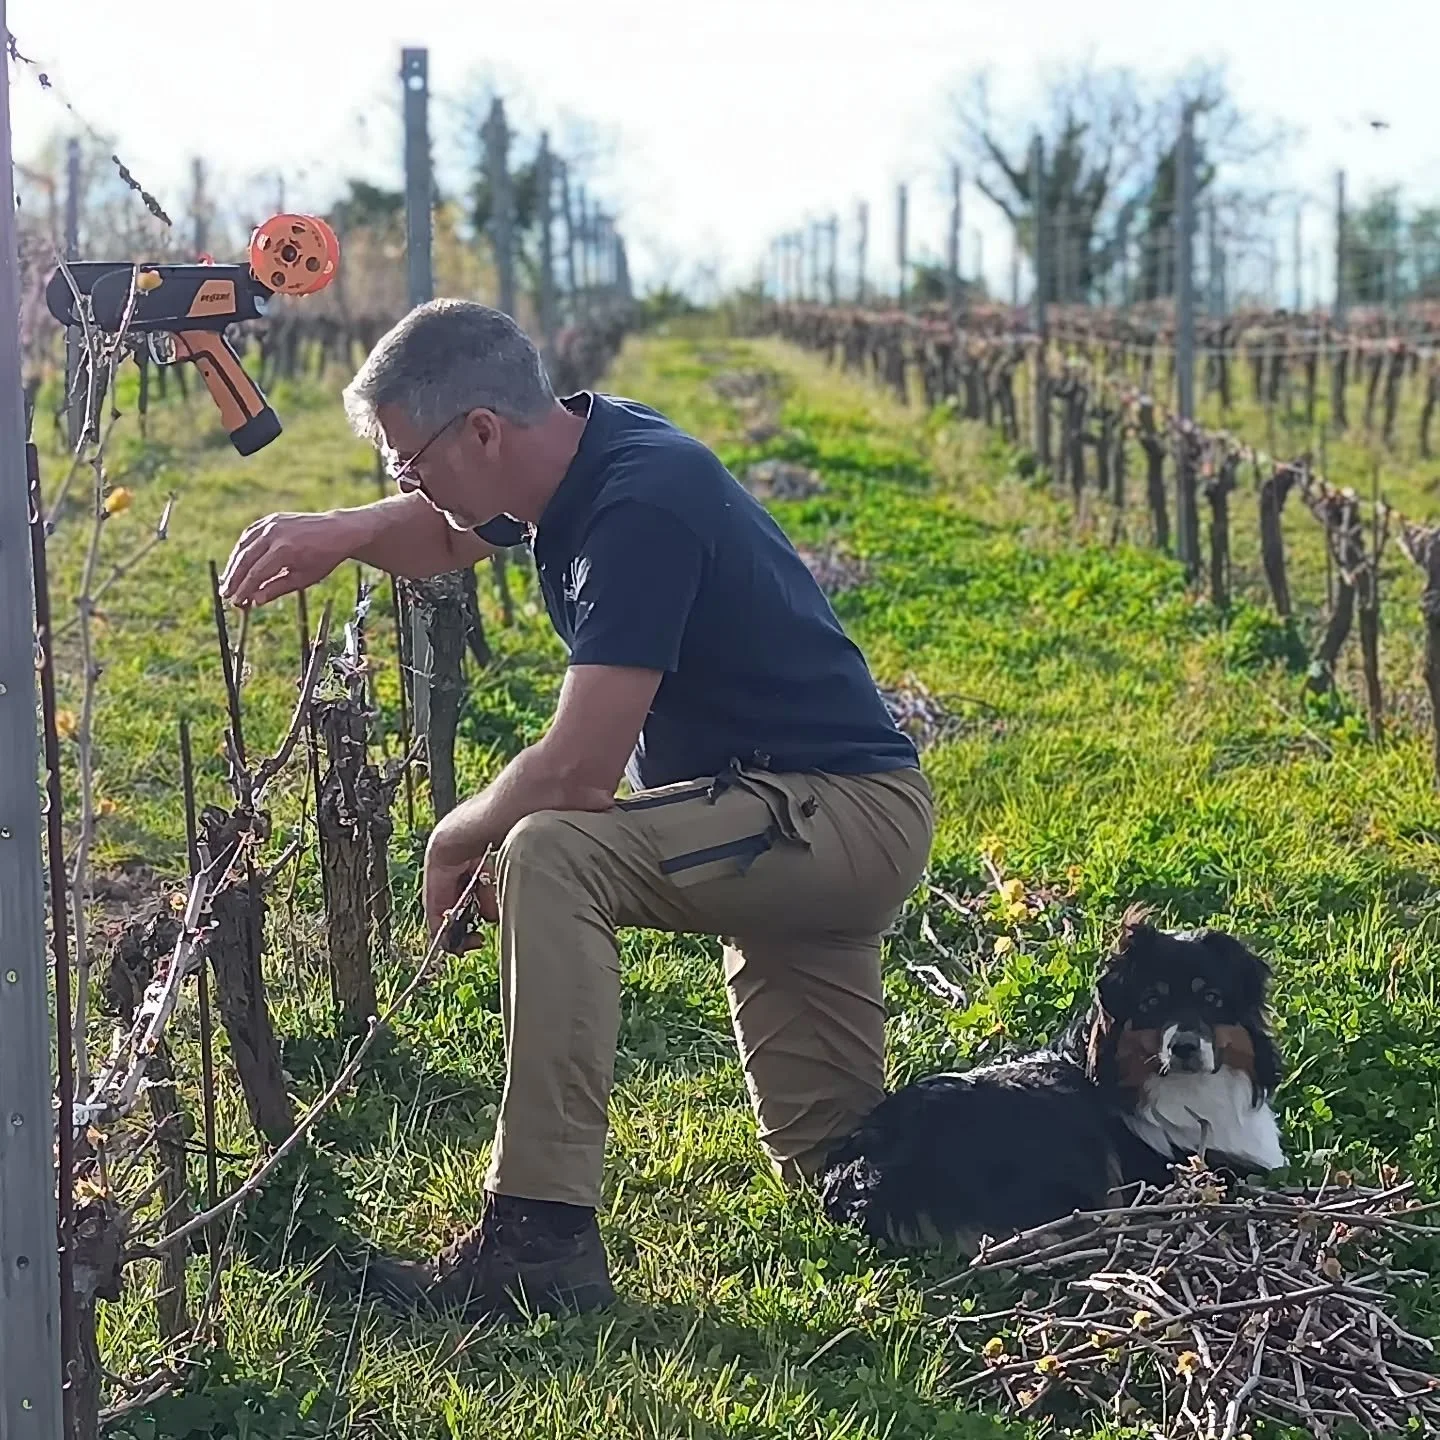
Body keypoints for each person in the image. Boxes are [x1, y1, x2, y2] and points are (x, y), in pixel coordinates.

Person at [219, 298, 934, 1324]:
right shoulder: (582, 454)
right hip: (785, 823)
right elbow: (457, 533)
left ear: (482, 431)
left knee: (552, 850)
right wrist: (346, 531)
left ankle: (538, 1237)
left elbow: (577, 774)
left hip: (833, 815)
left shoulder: (640, 505)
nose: (404, 485)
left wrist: (456, 833)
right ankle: (1085, 1167)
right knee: (845, 1178)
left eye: (406, 463)